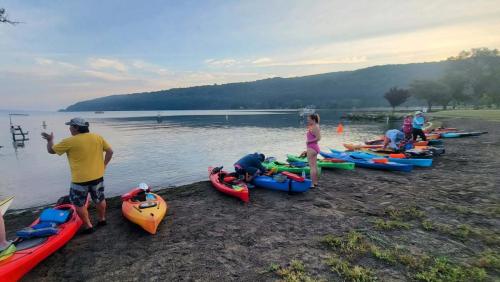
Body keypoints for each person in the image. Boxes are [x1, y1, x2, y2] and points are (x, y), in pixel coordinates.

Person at [42, 118, 113, 234]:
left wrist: (50, 140)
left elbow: (51, 151)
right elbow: (110, 151)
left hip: (79, 180)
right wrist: (104, 165)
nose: (69, 128)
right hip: (98, 176)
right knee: (100, 199)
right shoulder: (97, 137)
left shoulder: (69, 141)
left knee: (78, 203)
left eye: (70, 126)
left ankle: (88, 226)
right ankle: (102, 219)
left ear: (76, 127)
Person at [306, 113, 321, 188]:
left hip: (312, 148)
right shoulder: (315, 126)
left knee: (312, 167)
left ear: (313, 119)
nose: (308, 120)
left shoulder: (315, 126)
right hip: (315, 148)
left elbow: (318, 138)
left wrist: (309, 141)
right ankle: (315, 182)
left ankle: (312, 184)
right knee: (314, 166)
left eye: (309, 119)